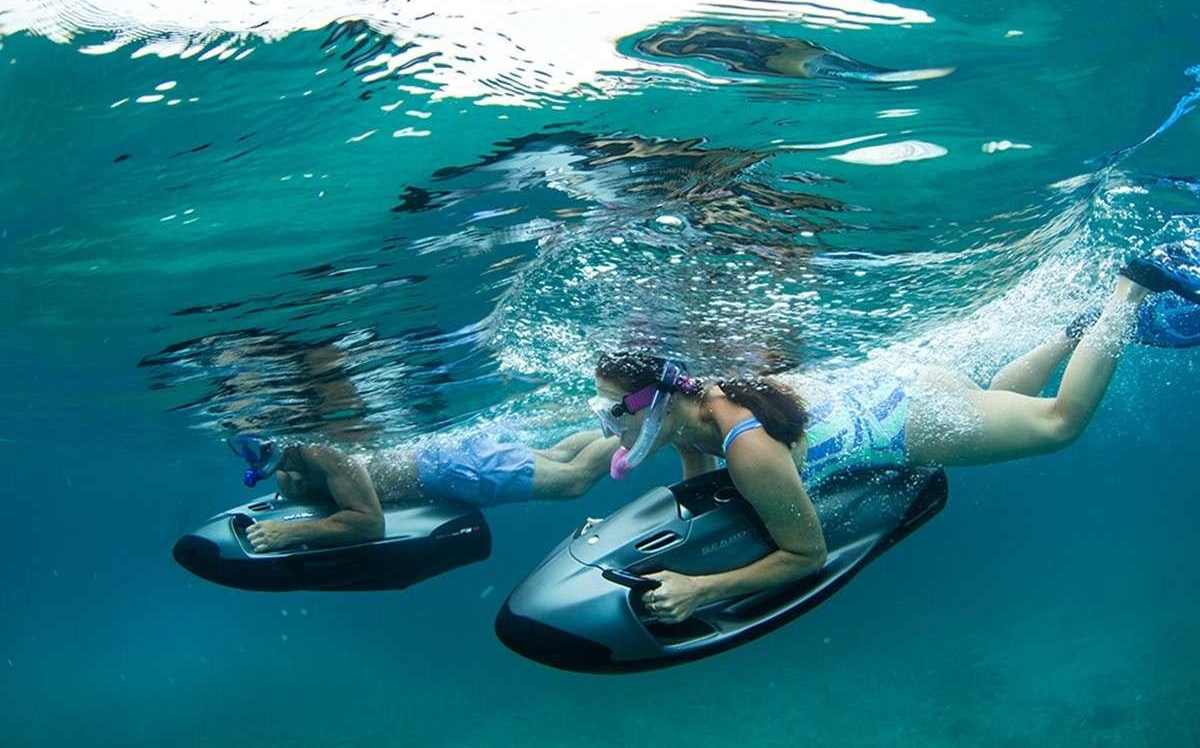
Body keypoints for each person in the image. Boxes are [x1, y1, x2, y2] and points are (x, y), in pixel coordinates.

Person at [589, 239, 1200, 624]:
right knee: (993, 403)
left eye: (616, 410)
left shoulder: (746, 445)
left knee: (1058, 423)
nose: (609, 423)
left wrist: (700, 590)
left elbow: (806, 555)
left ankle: (1131, 289)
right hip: (904, 386)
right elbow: (697, 493)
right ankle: (1078, 331)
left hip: (910, 420)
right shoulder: (695, 412)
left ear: (655, 404)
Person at [228, 429, 618, 553]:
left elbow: (368, 524)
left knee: (573, 480)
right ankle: (625, 421)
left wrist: (290, 532)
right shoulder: (288, 466)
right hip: (447, 456)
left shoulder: (327, 456)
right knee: (557, 455)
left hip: (453, 471)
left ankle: (650, 427)